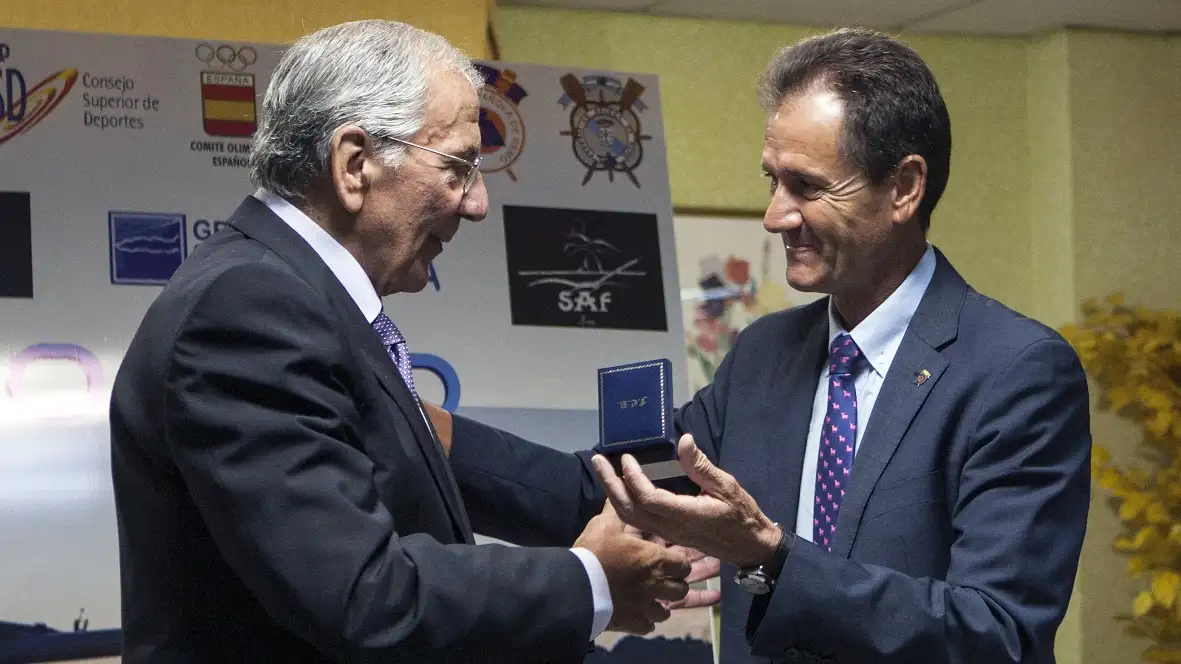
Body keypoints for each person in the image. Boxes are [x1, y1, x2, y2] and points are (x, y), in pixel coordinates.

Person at [430, 27, 1092, 664]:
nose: (776, 215)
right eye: (771, 181)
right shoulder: (766, 352)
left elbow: (995, 632)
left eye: (806, 186)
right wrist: (429, 432)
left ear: (903, 188)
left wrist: (771, 558)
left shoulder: (1014, 370)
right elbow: (616, 488)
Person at [108, 19, 693, 664]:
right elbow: (362, 593)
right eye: (460, 167)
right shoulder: (249, 309)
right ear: (355, 165)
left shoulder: (294, 300)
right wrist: (591, 582)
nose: (477, 204)